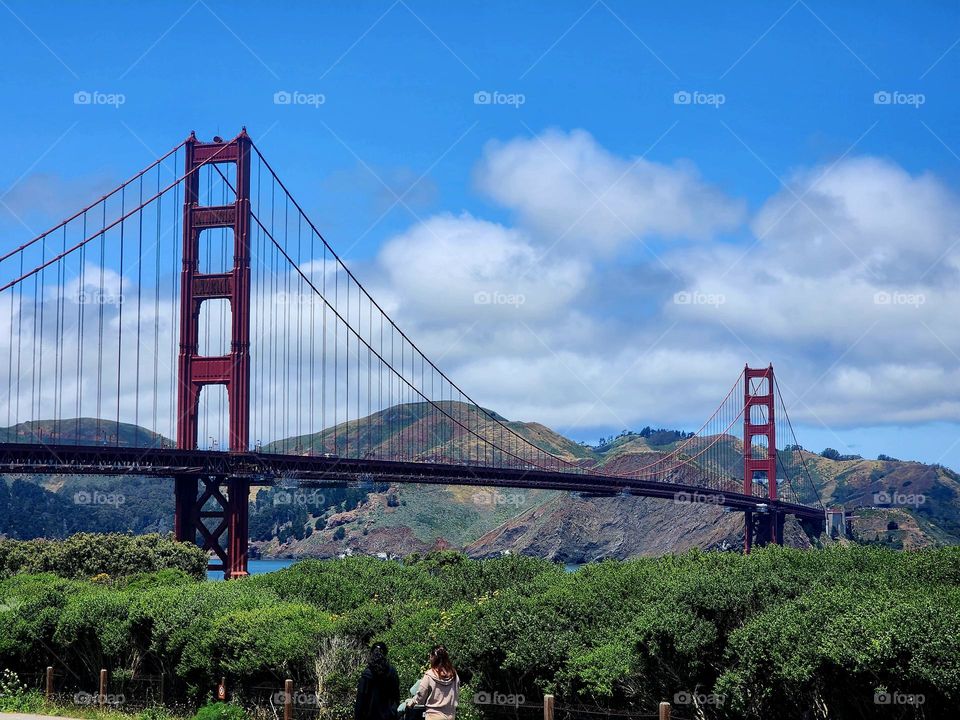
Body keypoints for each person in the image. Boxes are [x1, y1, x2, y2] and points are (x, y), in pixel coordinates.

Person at [407, 645, 459, 720]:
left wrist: (412, 702)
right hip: (450, 716)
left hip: (433, 716)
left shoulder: (430, 675)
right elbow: (456, 694)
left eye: (430, 656)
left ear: (433, 657)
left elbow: (421, 696)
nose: (429, 659)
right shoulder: (454, 675)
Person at [356, 641, 401, 720]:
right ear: (385, 654)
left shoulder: (367, 674)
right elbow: (396, 696)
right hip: (388, 716)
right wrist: (393, 712)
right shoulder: (392, 672)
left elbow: (360, 700)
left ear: (371, 654)